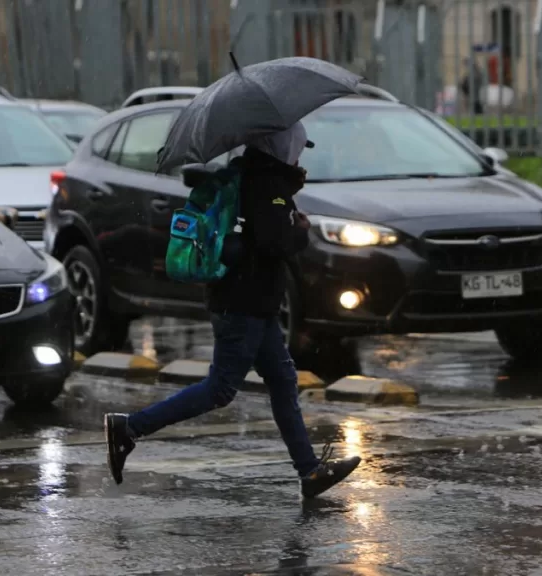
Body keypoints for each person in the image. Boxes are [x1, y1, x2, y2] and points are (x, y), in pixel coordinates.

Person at [104, 122, 362, 499]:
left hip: (249, 301)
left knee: (283, 381)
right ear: (279, 145)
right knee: (221, 388)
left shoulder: (252, 176)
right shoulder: (267, 184)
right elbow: (275, 241)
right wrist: (301, 229)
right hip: (245, 304)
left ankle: (310, 472)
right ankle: (129, 428)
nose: (300, 152)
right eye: (296, 145)